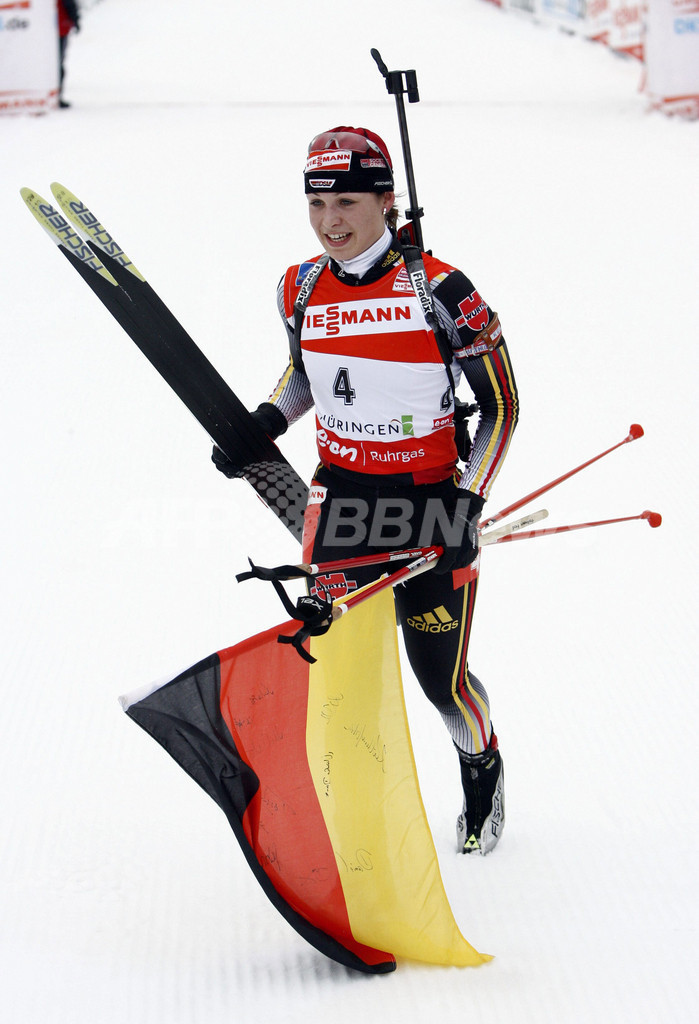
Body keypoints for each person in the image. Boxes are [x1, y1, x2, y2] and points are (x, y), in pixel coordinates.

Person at [214, 127, 519, 855]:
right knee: (340, 675)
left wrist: (467, 500)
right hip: (341, 508)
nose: (330, 222)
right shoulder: (298, 287)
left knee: (441, 683)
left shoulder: (442, 290)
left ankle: (481, 768)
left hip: (427, 505)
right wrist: (267, 421)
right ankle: (353, 812)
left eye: (347, 202)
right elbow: (306, 375)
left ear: (386, 200)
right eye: (316, 204)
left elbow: (502, 407)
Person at [57, 0, 80, 109]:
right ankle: (56, 96)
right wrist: (75, 20)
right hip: (60, 27)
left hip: (42, 29)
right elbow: (69, 3)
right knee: (57, 64)